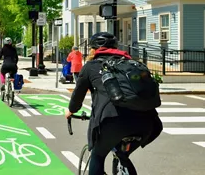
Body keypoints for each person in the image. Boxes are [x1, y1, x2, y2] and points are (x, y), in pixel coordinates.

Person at [65, 32, 163, 175]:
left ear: (93, 49)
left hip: (112, 121)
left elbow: (77, 97)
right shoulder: (132, 64)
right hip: (147, 124)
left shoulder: (91, 67)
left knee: (98, 155)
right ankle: (122, 158)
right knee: (123, 155)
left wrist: (70, 111)